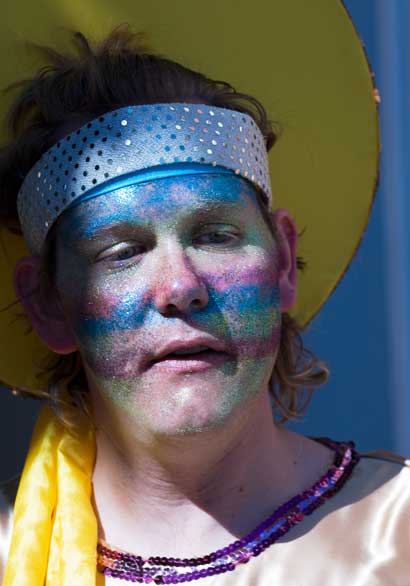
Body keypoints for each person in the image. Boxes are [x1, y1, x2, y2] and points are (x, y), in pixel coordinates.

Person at [0, 9, 408, 586]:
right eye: (121, 252)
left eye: (215, 235)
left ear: (282, 261)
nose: (180, 287)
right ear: (47, 303)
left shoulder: (397, 535)